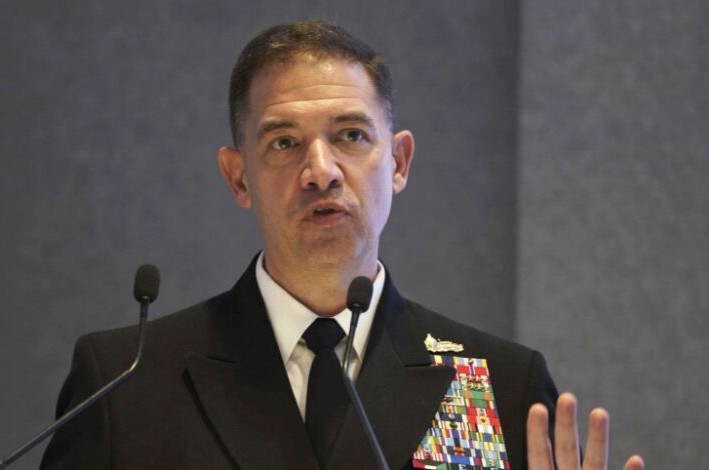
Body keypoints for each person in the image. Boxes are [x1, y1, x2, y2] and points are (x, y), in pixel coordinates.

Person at [40, 21, 644, 470]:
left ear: (398, 162)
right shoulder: (125, 385)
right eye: (283, 143)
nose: (321, 171)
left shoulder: (501, 383)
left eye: (351, 136)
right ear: (238, 177)